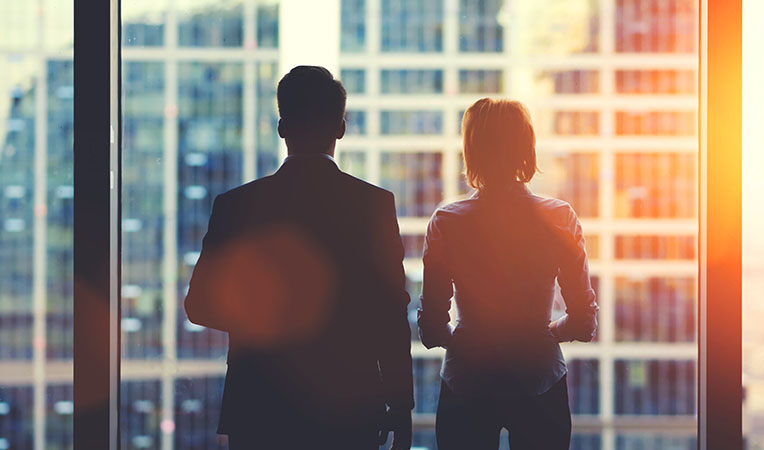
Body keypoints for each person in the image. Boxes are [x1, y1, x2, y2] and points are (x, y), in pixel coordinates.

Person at [184, 66, 414, 450]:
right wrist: (402, 406)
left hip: (260, 406)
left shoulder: (235, 206)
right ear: (341, 128)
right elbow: (390, 313)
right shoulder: (374, 205)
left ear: (281, 128)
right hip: (349, 406)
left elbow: (199, 305)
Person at [417, 98, 599, 449]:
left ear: (472, 151)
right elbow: (583, 323)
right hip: (540, 378)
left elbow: (432, 329)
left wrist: (467, 339)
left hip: (466, 381)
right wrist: (543, 333)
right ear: (526, 149)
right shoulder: (558, 218)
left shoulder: (447, 222)